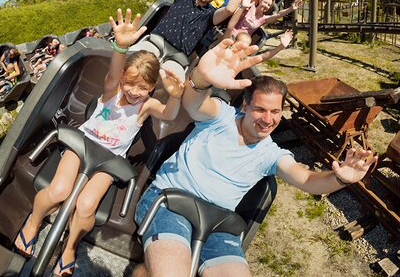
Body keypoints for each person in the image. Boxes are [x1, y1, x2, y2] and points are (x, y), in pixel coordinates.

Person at [133, 39, 376, 277]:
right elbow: (194, 103)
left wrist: (340, 179)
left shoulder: (271, 154)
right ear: (246, 106)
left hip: (218, 222)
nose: (267, 119)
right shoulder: (221, 116)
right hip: (172, 201)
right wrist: (201, 79)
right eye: (260, 109)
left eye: (275, 112)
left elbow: (307, 179)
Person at [13, 9, 185, 277]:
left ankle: (70, 247)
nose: (133, 91)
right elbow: (114, 75)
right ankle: (33, 221)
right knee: (59, 191)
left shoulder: (147, 105)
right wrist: (120, 47)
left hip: (109, 159)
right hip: (83, 144)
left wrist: (174, 96)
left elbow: (170, 114)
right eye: (130, 84)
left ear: (151, 88)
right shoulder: (113, 91)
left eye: (141, 88)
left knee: (86, 205)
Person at [224, 0, 303, 40]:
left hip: (243, 41)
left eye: (269, 5)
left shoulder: (263, 18)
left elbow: (278, 15)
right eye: (265, 3)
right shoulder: (250, 7)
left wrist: (290, 9)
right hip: (231, 34)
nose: (266, 6)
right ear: (260, 0)